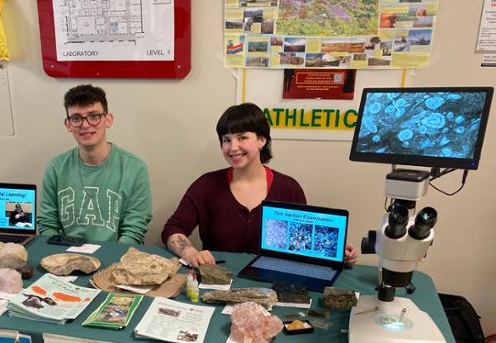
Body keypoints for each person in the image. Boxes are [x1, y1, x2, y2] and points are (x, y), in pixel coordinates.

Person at [161, 102, 358, 267]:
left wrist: (337, 254)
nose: (233, 147)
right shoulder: (206, 185)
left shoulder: (289, 189)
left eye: (242, 137)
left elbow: (301, 244)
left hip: (272, 286)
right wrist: (190, 252)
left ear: (262, 140)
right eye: (226, 140)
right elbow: (173, 228)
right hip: (217, 283)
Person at [38, 84, 152, 244]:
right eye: (76, 118)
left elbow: (134, 230)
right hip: (65, 257)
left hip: (116, 259)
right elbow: (47, 223)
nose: (85, 125)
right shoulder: (55, 168)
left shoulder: (135, 169)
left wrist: (110, 263)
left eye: (93, 116)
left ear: (108, 120)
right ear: (68, 125)